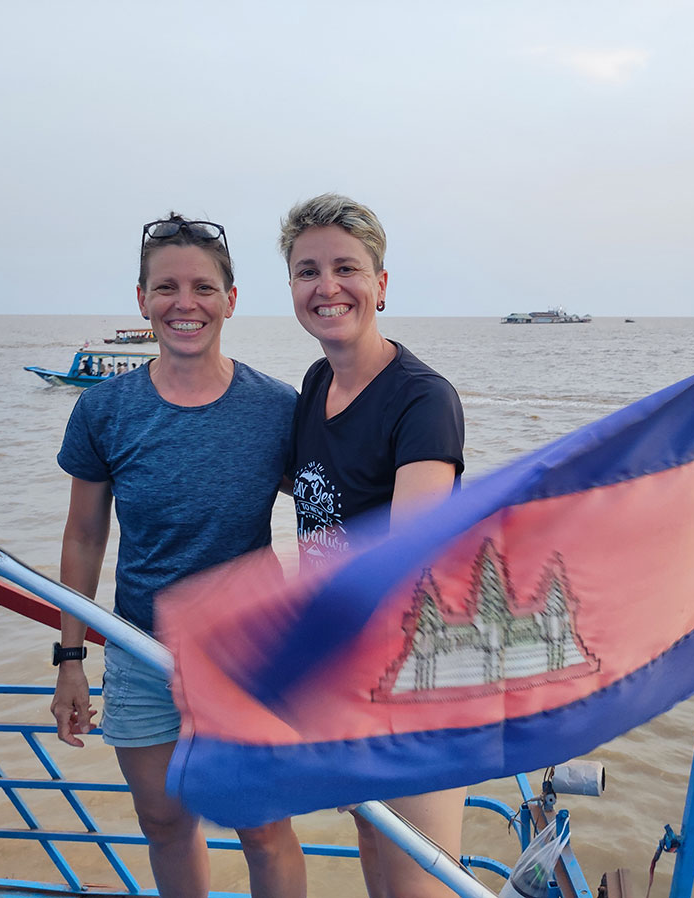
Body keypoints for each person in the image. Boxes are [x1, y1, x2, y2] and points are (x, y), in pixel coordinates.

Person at [50, 214, 306, 898]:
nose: (184, 303)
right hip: (139, 652)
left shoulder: (279, 410)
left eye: (202, 286)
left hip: (249, 652)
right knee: (164, 821)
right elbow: (83, 535)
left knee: (263, 828)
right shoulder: (105, 412)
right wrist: (70, 660)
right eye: (166, 287)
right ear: (141, 298)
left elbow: (328, 514)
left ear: (230, 298)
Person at [278, 194, 466, 898]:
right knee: (373, 854)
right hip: (343, 673)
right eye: (307, 271)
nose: (327, 288)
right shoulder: (316, 383)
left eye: (346, 268)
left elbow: (409, 559)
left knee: (421, 882)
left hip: (413, 678)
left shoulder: (422, 400)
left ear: (381, 284)